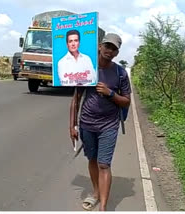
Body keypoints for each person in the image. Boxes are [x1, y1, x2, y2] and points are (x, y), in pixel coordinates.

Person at [69, 33, 131, 211]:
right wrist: (72, 125)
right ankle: (96, 193)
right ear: (99, 46)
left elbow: (126, 101)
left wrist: (110, 93)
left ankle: (103, 208)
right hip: (87, 123)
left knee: (104, 163)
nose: (109, 51)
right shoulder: (86, 68)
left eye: (114, 49)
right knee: (92, 159)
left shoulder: (120, 73)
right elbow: (76, 98)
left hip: (108, 125)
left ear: (117, 53)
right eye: (107, 46)